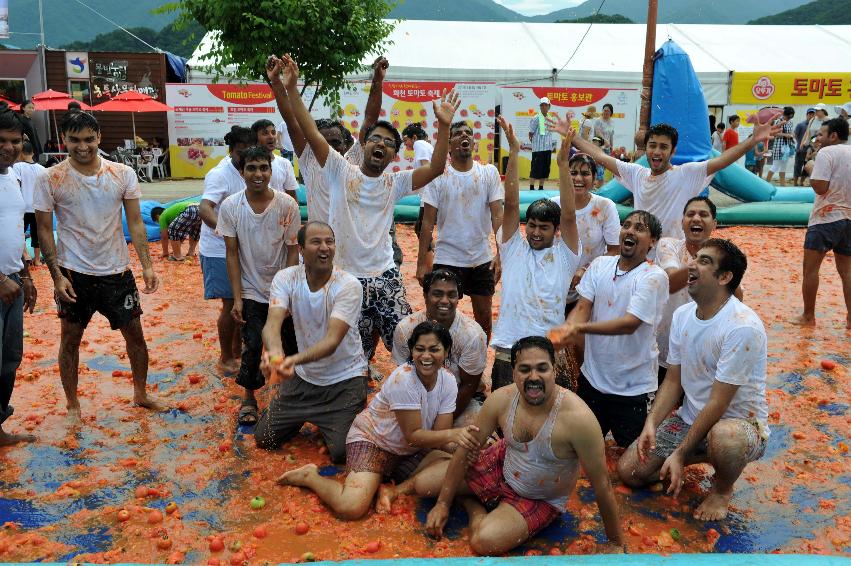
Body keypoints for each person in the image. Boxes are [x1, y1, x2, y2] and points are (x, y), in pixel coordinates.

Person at [276, 53, 459, 361]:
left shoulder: (395, 182)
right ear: (363, 146)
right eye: (375, 139)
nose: (381, 145)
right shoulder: (339, 170)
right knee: (353, 355)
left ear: (394, 155)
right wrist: (291, 89)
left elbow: (438, 167)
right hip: (346, 277)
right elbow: (309, 131)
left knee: (410, 344)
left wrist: (443, 126)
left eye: (389, 143)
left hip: (387, 276)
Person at [387, 336, 624, 555]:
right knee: (424, 486)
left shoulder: (578, 419)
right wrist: (442, 505)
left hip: (539, 497)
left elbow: (602, 484)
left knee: (483, 542)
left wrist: (615, 543)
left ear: (554, 370)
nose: (534, 377)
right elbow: (468, 447)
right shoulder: (501, 399)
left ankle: (472, 504)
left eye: (542, 368)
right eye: (525, 369)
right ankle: (420, 483)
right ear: (513, 372)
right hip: (502, 464)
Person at [618, 239, 768, 522]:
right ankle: (699, 451)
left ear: (725, 277)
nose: (692, 264)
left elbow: (718, 403)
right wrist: (650, 423)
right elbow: (673, 380)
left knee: (726, 439)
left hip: (739, 425)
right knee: (631, 472)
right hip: (690, 418)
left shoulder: (742, 326)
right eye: (695, 258)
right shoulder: (683, 315)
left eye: (704, 261)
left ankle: (722, 488)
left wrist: (680, 452)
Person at [34, 111, 164, 422]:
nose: (82, 146)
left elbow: (136, 222)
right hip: (73, 273)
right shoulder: (50, 177)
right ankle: (73, 405)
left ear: (99, 138)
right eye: (75, 140)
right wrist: (56, 277)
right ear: (64, 139)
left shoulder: (122, 173)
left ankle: (140, 393)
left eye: (89, 139)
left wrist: (146, 265)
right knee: (70, 339)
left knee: (135, 336)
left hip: (117, 271)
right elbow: (42, 229)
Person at [278, 321, 480, 520]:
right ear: (412, 352)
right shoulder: (404, 380)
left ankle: (393, 490)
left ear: (446, 352)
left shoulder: (448, 381)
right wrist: (455, 435)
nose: (426, 356)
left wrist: (467, 446)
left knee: (464, 468)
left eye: (434, 349)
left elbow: (440, 435)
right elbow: (414, 436)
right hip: (374, 442)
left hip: (410, 452)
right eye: (420, 349)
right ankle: (310, 477)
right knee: (351, 507)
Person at [550, 210, 668, 448]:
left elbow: (629, 324)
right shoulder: (601, 264)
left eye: (640, 228)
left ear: (652, 241)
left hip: (632, 388)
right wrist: (567, 329)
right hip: (592, 380)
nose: (630, 231)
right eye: (626, 225)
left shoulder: (654, 276)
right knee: (573, 448)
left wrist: (579, 329)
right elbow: (583, 306)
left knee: (634, 466)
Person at [253, 221, 366, 462]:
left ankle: (334, 419)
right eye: (316, 242)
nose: (324, 247)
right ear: (301, 250)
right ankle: (313, 419)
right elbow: (272, 325)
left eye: (330, 242)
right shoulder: (286, 278)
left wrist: (289, 361)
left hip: (344, 380)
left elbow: (331, 342)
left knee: (341, 454)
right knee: (265, 439)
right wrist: (275, 358)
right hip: (304, 379)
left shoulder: (348, 285)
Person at [566, 119, 780, 240]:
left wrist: (753, 141)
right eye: (652, 145)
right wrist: (573, 137)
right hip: (642, 253)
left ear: (673, 151)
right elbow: (601, 157)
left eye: (663, 147)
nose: (656, 151)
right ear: (646, 148)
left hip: (675, 255)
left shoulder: (686, 174)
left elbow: (721, 161)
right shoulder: (636, 174)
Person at [490, 116, 579, 392]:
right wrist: (514, 152)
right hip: (509, 347)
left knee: (550, 423)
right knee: (505, 425)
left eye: (544, 227)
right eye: (532, 226)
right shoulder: (513, 248)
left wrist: (563, 165)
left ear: (556, 231)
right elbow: (512, 203)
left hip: (549, 351)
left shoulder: (566, 256)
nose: (536, 232)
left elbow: (569, 214)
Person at [219, 146, 301, 425]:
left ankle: (291, 395)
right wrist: (237, 297)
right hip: (251, 289)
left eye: (263, 168)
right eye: (251, 168)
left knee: (290, 343)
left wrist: (288, 291)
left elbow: (292, 249)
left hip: (282, 289)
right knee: (252, 345)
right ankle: (249, 397)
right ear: (241, 172)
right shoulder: (231, 206)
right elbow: (231, 252)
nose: (258, 174)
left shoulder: (287, 205)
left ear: (271, 170)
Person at [416, 120, 503, 338]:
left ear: (473, 141)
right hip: (447, 257)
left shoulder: (488, 173)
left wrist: (502, 254)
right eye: (458, 133)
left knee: (483, 318)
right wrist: (420, 264)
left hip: (480, 258)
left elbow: (498, 216)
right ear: (449, 143)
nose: (464, 136)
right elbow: (427, 223)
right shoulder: (437, 177)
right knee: (440, 318)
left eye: (468, 133)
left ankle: (477, 365)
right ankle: (441, 365)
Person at [655, 197, 744, 383]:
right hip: (664, 348)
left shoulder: (724, 257)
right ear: (682, 222)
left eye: (703, 214)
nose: (696, 219)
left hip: (703, 354)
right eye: (690, 214)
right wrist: (708, 264)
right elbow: (671, 282)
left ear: (714, 224)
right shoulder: (668, 245)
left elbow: (737, 298)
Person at [392, 269, 487, 425]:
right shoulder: (405, 329)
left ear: (458, 298)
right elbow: (404, 375)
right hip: (416, 394)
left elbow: (469, 385)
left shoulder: (473, 335)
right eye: (437, 294)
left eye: (451, 295)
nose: (445, 300)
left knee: (467, 441)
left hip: (461, 397)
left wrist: (440, 424)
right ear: (425, 296)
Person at [199, 125, 253, 375]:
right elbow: (205, 208)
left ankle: (236, 351)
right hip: (219, 249)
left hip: (242, 248)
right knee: (231, 303)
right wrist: (226, 232)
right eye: (240, 152)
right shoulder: (220, 174)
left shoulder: (251, 170)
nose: (244, 156)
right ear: (231, 151)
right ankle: (225, 357)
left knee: (244, 303)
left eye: (249, 151)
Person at [0, 108, 37, 445]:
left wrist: (24, 273)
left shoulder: (12, 178)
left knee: (9, 360)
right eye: (1, 140)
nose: (9, 147)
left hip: (12, 280)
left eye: (15, 141)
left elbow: (13, 230)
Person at [791, 118, 850, 328]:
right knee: (847, 271)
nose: (818, 139)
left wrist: (810, 169)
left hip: (825, 218)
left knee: (811, 270)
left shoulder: (827, 152)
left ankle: (808, 316)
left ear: (833, 136)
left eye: (821, 134)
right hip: (849, 219)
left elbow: (820, 187)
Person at [549, 152, 620, 314]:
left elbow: (615, 250)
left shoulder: (605, 207)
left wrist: (587, 269)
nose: (578, 179)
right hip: (554, 286)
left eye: (585, 173)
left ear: (595, 178)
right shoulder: (552, 206)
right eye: (573, 173)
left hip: (591, 288)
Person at [13, 141, 46, 266]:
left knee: (19, 232)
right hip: (37, 207)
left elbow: (16, 185)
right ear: (32, 153)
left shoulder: (18, 166)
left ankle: (25, 254)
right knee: (36, 234)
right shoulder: (42, 169)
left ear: (20, 153)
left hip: (23, 207)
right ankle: (37, 260)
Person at [250, 118, 298, 201]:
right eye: (265, 133)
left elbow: (291, 196)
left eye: (273, 132)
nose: (271, 137)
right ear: (255, 138)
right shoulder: (247, 164)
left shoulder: (285, 163)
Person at [528, 97, 556, 191]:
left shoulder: (550, 118)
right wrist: (535, 143)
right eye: (542, 105)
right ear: (540, 107)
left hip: (547, 148)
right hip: (538, 149)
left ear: (549, 106)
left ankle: (541, 187)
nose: (544, 107)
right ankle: (531, 187)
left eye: (546, 105)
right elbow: (531, 133)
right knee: (535, 169)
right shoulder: (536, 118)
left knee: (545, 169)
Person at [765, 107, 795, 186]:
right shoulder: (778, 121)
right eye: (788, 116)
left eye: (791, 117)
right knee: (775, 166)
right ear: (784, 115)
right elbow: (773, 133)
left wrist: (791, 135)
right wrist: (785, 135)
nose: (789, 118)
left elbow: (791, 132)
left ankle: (783, 185)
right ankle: (766, 183)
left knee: (784, 167)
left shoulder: (790, 122)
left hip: (787, 147)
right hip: (778, 146)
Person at [793, 108, 816, 187]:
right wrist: (800, 142)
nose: (811, 115)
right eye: (810, 114)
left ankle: (801, 183)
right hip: (801, 150)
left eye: (813, 114)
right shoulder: (801, 124)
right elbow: (795, 135)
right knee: (797, 167)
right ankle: (795, 183)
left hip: (810, 150)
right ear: (807, 115)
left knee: (807, 167)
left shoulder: (814, 125)